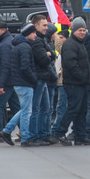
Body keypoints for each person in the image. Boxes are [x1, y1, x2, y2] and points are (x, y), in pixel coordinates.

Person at [54, 18, 90, 145]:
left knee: (82, 110)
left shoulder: (79, 43)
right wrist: (82, 76)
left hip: (81, 83)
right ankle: (59, 133)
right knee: (73, 109)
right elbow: (71, 64)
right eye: (80, 30)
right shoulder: (70, 44)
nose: (82, 32)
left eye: (84, 30)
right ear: (73, 31)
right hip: (74, 83)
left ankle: (80, 135)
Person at [0, 23, 40, 146]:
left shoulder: (17, 46)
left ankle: (7, 130)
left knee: (24, 110)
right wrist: (34, 80)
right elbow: (25, 67)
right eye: (33, 33)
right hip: (25, 83)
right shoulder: (25, 47)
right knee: (27, 112)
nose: (35, 35)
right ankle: (25, 138)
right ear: (28, 34)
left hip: (18, 82)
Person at [27, 14, 58, 146]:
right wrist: (49, 54)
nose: (46, 27)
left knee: (46, 108)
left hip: (44, 77)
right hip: (39, 77)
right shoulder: (37, 41)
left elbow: (52, 54)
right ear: (36, 26)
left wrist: (50, 54)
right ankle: (34, 136)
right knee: (36, 109)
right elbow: (44, 59)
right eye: (44, 25)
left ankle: (44, 134)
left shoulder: (43, 39)